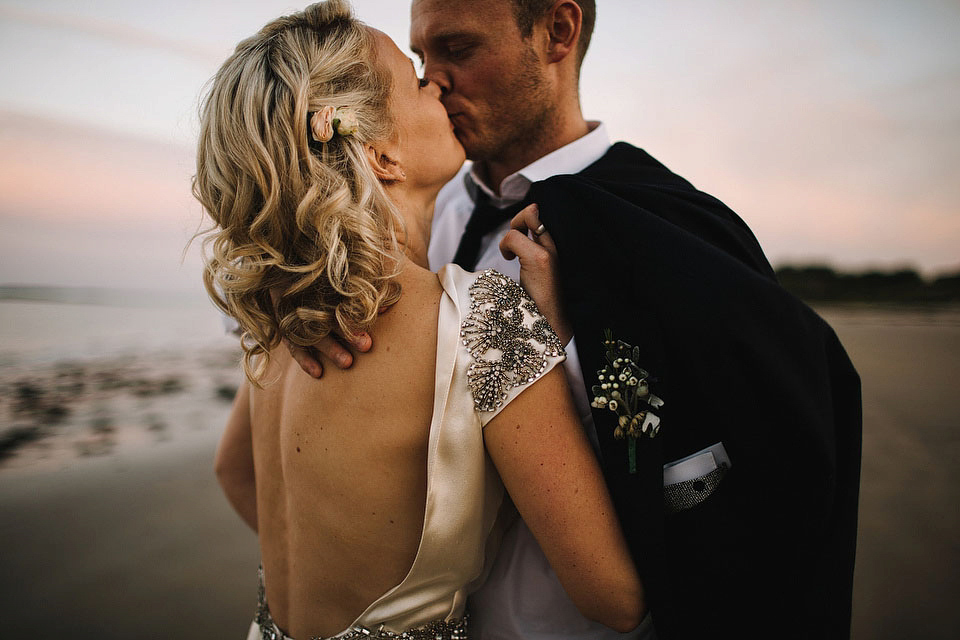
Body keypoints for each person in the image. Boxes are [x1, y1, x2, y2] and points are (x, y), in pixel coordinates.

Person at [297, 0, 863, 638]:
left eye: (458, 50)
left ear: (557, 32)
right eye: (421, 58)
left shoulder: (666, 225)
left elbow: (758, 454)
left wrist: (576, 342)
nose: (434, 80)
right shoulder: (416, 207)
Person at [194, 2, 645, 639]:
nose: (435, 84)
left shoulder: (285, 315)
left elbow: (233, 472)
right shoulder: (486, 321)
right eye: (414, 81)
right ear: (381, 156)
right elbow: (616, 600)